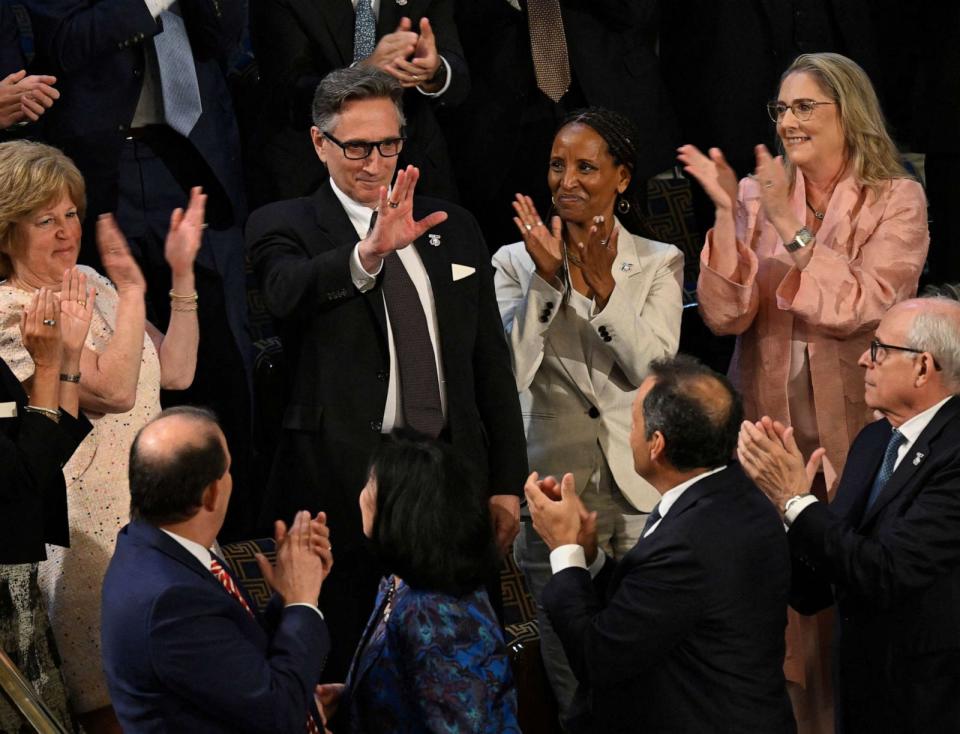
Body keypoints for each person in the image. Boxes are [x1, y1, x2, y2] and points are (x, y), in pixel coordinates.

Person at [247, 65, 528, 679]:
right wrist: (365, 254)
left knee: (466, 673)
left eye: (388, 144)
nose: (374, 163)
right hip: (344, 493)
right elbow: (285, 292)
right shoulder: (283, 225)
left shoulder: (452, 227)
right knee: (357, 674)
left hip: (452, 486)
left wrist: (506, 482)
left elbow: (489, 368)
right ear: (320, 144)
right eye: (355, 147)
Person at [678, 52, 929, 727]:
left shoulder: (896, 197)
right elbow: (725, 315)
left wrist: (791, 230)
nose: (787, 121)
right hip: (769, 436)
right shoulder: (759, 194)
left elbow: (869, 304)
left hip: (861, 442)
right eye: (780, 109)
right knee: (780, 622)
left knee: (854, 618)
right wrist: (732, 216)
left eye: (803, 107)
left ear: (848, 112)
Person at [24, 0, 255, 538]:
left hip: (196, 157)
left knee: (221, 355)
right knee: (121, 339)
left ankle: (223, 517)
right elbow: (64, 42)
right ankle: (146, 518)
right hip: (103, 166)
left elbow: (226, 38)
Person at [0, 140, 202, 732]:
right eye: (45, 220)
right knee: (113, 704)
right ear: (7, 231)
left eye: (71, 215)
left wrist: (181, 273)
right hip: (91, 528)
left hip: (156, 509)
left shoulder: (90, 280)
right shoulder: (14, 310)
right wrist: (135, 289)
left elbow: (176, 370)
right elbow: (113, 391)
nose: (66, 233)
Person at [492, 106, 683, 718]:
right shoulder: (512, 262)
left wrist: (602, 291)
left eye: (585, 166)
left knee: (650, 667)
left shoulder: (657, 262)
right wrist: (547, 284)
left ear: (622, 178)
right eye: (556, 165)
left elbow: (653, 367)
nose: (566, 180)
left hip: (640, 488)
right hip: (554, 487)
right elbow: (509, 375)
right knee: (573, 672)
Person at [525, 355, 795, 733]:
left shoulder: (689, 543)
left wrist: (563, 550)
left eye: (632, 422)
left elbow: (597, 658)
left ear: (656, 444)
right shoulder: (734, 497)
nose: (628, 434)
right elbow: (653, 608)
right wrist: (591, 558)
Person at [738, 297, 960, 734]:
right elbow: (822, 584)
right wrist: (790, 514)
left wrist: (797, 502)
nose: (863, 360)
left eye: (878, 349)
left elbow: (886, 572)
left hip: (931, 702)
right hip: (863, 692)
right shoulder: (874, 441)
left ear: (923, 367)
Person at [101, 407, 332, 733]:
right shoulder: (172, 600)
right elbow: (280, 715)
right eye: (228, 471)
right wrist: (302, 602)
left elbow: (231, 658)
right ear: (211, 493)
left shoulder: (153, 547)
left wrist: (285, 594)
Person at [318, 434, 518, 733]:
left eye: (371, 483)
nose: (361, 495)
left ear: (402, 510)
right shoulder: (400, 583)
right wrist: (353, 697)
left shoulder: (438, 615)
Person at [444, 0, 679, 253]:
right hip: (499, 109)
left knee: (621, 254)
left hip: (603, 92)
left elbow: (638, 10)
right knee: (517, 259)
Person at [249, 0, 467, 205]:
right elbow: (288, 90)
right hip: (311, 173)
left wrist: (433, 71)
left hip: (414, 167)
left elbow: (458, 79)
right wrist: (362, 74)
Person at [1, 286, 92, 732]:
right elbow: (20, 477)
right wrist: (48, 364)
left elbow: (47, 451)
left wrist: (68, 359)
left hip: (18, 586)